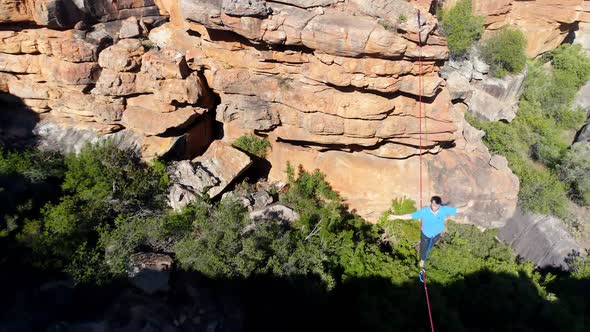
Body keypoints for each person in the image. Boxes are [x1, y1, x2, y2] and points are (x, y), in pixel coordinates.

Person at [387, 196, 474, 273]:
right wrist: (396, 217)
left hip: (436, 235)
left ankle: (424, 257)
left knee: (429, 248)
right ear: (431, 203)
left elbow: (458, 210)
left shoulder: (444, 209)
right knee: (424, 249)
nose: (434, 207)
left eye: (436, 206)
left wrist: (468, 206)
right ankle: (422, 262)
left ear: (440, 205)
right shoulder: (424, 211)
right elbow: (410, 216)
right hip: (425, 235)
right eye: (433, 205)